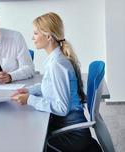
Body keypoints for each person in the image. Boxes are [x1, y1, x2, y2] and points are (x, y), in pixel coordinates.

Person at [11, 12, 101, 151]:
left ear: (48, 36)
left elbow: (62, 108)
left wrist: (30, 100)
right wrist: (29, 91)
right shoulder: (55, 60)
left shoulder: (57, 65)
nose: (32, 38)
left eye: (35, 33)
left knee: (31, 143)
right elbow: (49, 85)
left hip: (71, 134)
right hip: (66, 127)